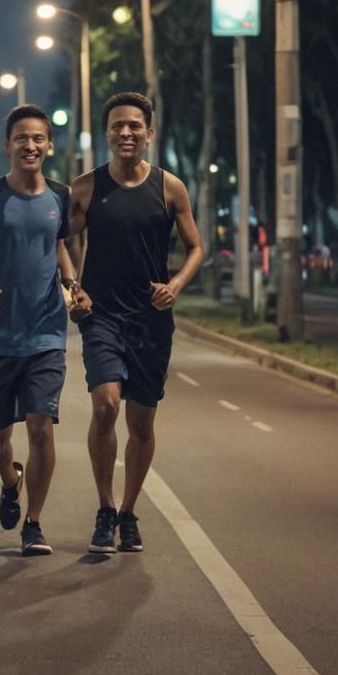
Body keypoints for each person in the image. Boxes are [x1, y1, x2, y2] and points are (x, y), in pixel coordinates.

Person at [68, 91, 202, 555]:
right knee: (106, 406)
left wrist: (176, 285)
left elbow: (195, 247)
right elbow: (62, 241)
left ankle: (128, 512)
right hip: (101, 315)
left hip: (151, 320)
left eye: (134, 126)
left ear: (148, 132)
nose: (126, 133)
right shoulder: (86, 187)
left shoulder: (170, 187)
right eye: (117, 126)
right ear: (107, 134)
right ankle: (105, 509)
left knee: (141, 422)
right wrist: (73, 287)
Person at [0, 104, 83, 558]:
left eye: (39, 138)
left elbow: (59, 245)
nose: (30, 145)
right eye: (21, 138)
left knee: (42, 427)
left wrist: (71, 282)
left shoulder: (60, 196)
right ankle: (10, 480)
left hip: (46, 332)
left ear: (49, 144)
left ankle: (34, 523)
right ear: (6, 146)